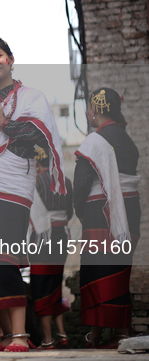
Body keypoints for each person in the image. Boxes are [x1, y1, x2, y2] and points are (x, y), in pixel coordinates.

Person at [0, 37, 66, 353]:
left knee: (3, 257)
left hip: (12, 186)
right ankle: (5, 334)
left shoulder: (33, 97)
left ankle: (20, 335)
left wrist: (8, 125)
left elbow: (39, 141)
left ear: (11, 59)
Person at [74, 88, 140, 349]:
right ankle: (123, 330)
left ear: (94, 110)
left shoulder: (95, 141)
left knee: (97, 270)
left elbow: (81, 185)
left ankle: (96, 334)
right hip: (130, 211)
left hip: (100, 211)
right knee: (119, 270)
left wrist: (80, 211)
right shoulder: (127, 140)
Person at [28, 147, 72, 349]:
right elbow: (69, 213)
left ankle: (48, 340)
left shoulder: (36, 182)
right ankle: (62, 334)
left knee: (41, 288)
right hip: (62, 237)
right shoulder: (66, 182)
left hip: (43, 239)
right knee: (55, 285)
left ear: (37, 163)